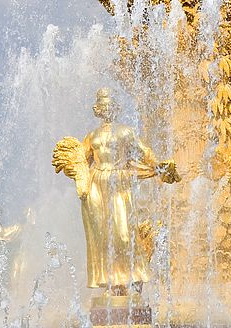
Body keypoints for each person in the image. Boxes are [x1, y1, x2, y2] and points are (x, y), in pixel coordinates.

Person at [53, 88, 179, 295]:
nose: (107, 109)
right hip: (96, 184)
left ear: (115, 109)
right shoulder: (91, 136)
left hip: (118, 180)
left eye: (110, 105)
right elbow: (83, 162)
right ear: (98, 110)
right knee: (101, 235)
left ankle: (131, 278)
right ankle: (110, 283)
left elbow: (144, 151)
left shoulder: (125, 132)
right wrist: (73, 170)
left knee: (123, 233)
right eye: (103, 106)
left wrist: (159, 165)